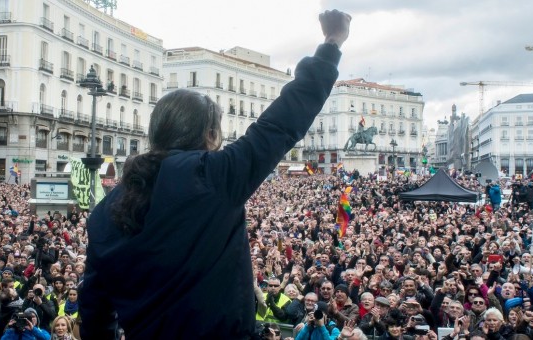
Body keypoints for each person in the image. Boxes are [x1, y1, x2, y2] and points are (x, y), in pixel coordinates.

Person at [80, 9, 351, 339]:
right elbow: (282, 122)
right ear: (210, 135)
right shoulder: (214, 177)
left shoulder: (103, 214)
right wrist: (331, 44)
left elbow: (95, 310)